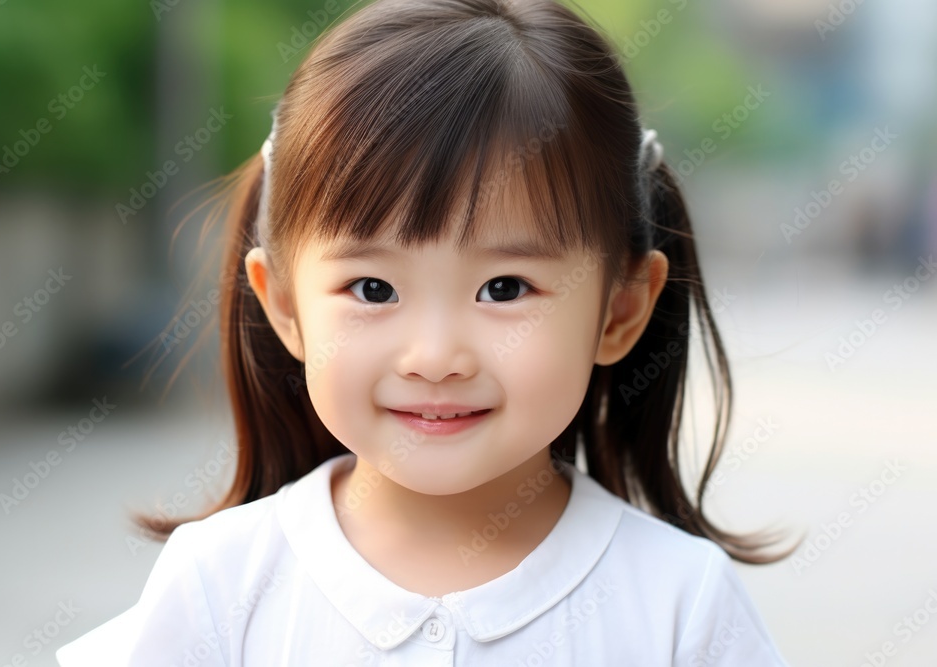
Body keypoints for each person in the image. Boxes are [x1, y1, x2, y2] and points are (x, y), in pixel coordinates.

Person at [57, 0, 797, 664]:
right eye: (373, 288)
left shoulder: (680, 605)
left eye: (504, 288)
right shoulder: (219, 584)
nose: (435, 356)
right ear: (284, 305)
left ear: (620, 310)